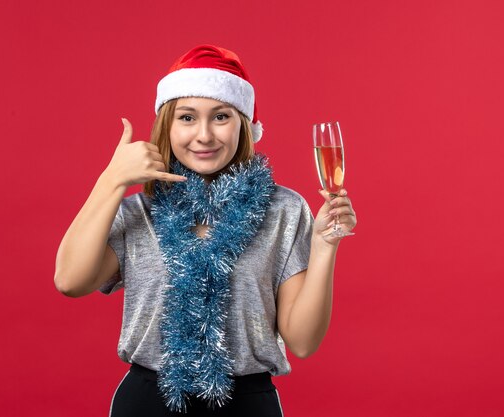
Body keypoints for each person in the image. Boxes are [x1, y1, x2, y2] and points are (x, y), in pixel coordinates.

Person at [54, 44, 357, 417]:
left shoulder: (284, 210)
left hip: (247, 403)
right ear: (167, 125)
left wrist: (325, 245)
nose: (203, 135)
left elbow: (303, 341)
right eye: (186, 118)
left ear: (243, 124)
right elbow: (69, 280)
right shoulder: (139, 211)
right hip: (149, 402)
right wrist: (111, 181)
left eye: (220, 117)